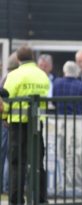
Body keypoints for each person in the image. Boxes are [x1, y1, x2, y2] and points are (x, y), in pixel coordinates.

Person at [4, 45, 49, 204]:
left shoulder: (14, 75)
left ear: (18, 58)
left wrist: (3, 117)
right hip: (37, 125)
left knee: (17, 164)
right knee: (38, 163)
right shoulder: (43, 75)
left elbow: (5, 100)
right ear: (33, 57)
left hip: (17, 125)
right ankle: (40, 199)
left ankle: (16, 201)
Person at [0, 52, 18, 194]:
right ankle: (5, 186)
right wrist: (5, 118)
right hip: (7, 122)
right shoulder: (11, 78)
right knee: (7, 155)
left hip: (6, 120)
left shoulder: (6, 78)